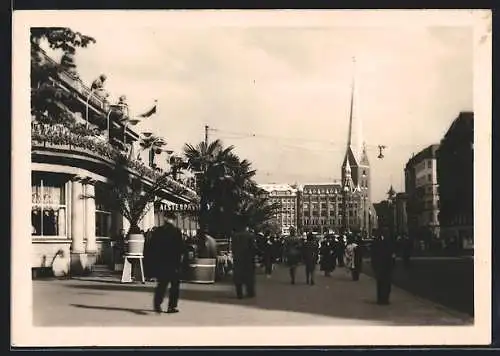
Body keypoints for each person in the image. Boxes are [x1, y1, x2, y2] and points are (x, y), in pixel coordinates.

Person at [150, 213, 185, 314]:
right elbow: (181, 248)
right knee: (174, 286)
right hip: (173, 262)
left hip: (161, 262)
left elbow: (152, 247)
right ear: (173, 220)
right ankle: (171, 306)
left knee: (162, 284)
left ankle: (157, 304)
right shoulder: (176, 231)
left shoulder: (158, 231)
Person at [231, 225, 258, 299]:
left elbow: (232, 248)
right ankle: (250, 292)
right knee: (249, 276)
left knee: (238, 275)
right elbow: (254, 247)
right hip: (248, 258)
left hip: (238, 258)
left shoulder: (234, 236)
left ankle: (239, 293)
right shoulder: (250, 236)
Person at [371, 228, 395, 305]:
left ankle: (381, 299)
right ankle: (385, 299)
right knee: (386, 284)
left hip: (381, 266)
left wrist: (374, 265)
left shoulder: (377, 242)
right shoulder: (389, 243)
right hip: (386, 266)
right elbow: (392, 255)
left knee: (380, 283)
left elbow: (373, 255)